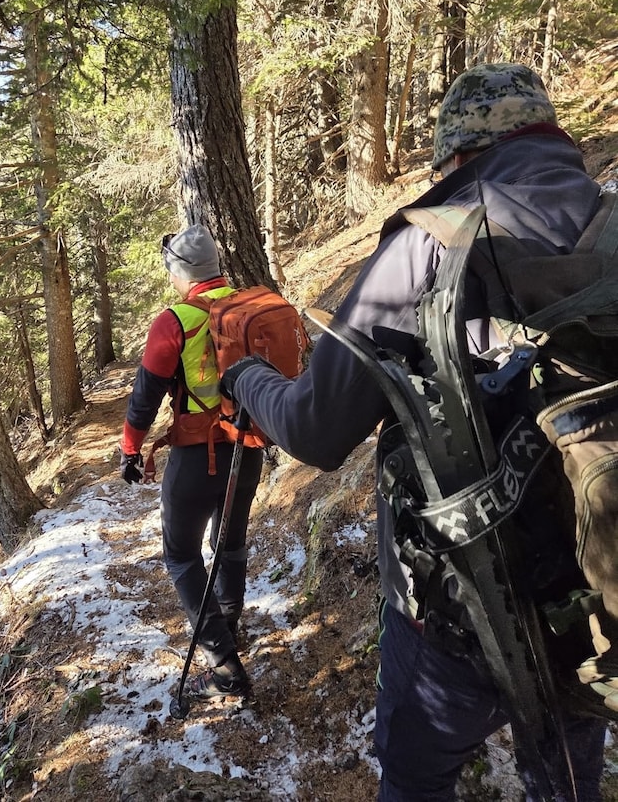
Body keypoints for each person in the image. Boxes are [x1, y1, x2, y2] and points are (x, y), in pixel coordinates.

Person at [219, 63, 611, 800]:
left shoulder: (432, 242)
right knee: (564, 777)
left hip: (456, 612)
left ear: (460, 156)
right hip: (594, 591)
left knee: (414, 774)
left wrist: (246, 379)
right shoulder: (612, 222)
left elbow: (317, 427)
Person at [119, 225, 263, 700]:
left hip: (198, 458)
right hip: (248, 448)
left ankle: (222, 661)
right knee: (230, 539)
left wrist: (130, 447)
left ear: (181, 272)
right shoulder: (247, 307)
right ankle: (228, 621)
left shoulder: (175, 320)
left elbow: (144, 398)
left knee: (181, 554)